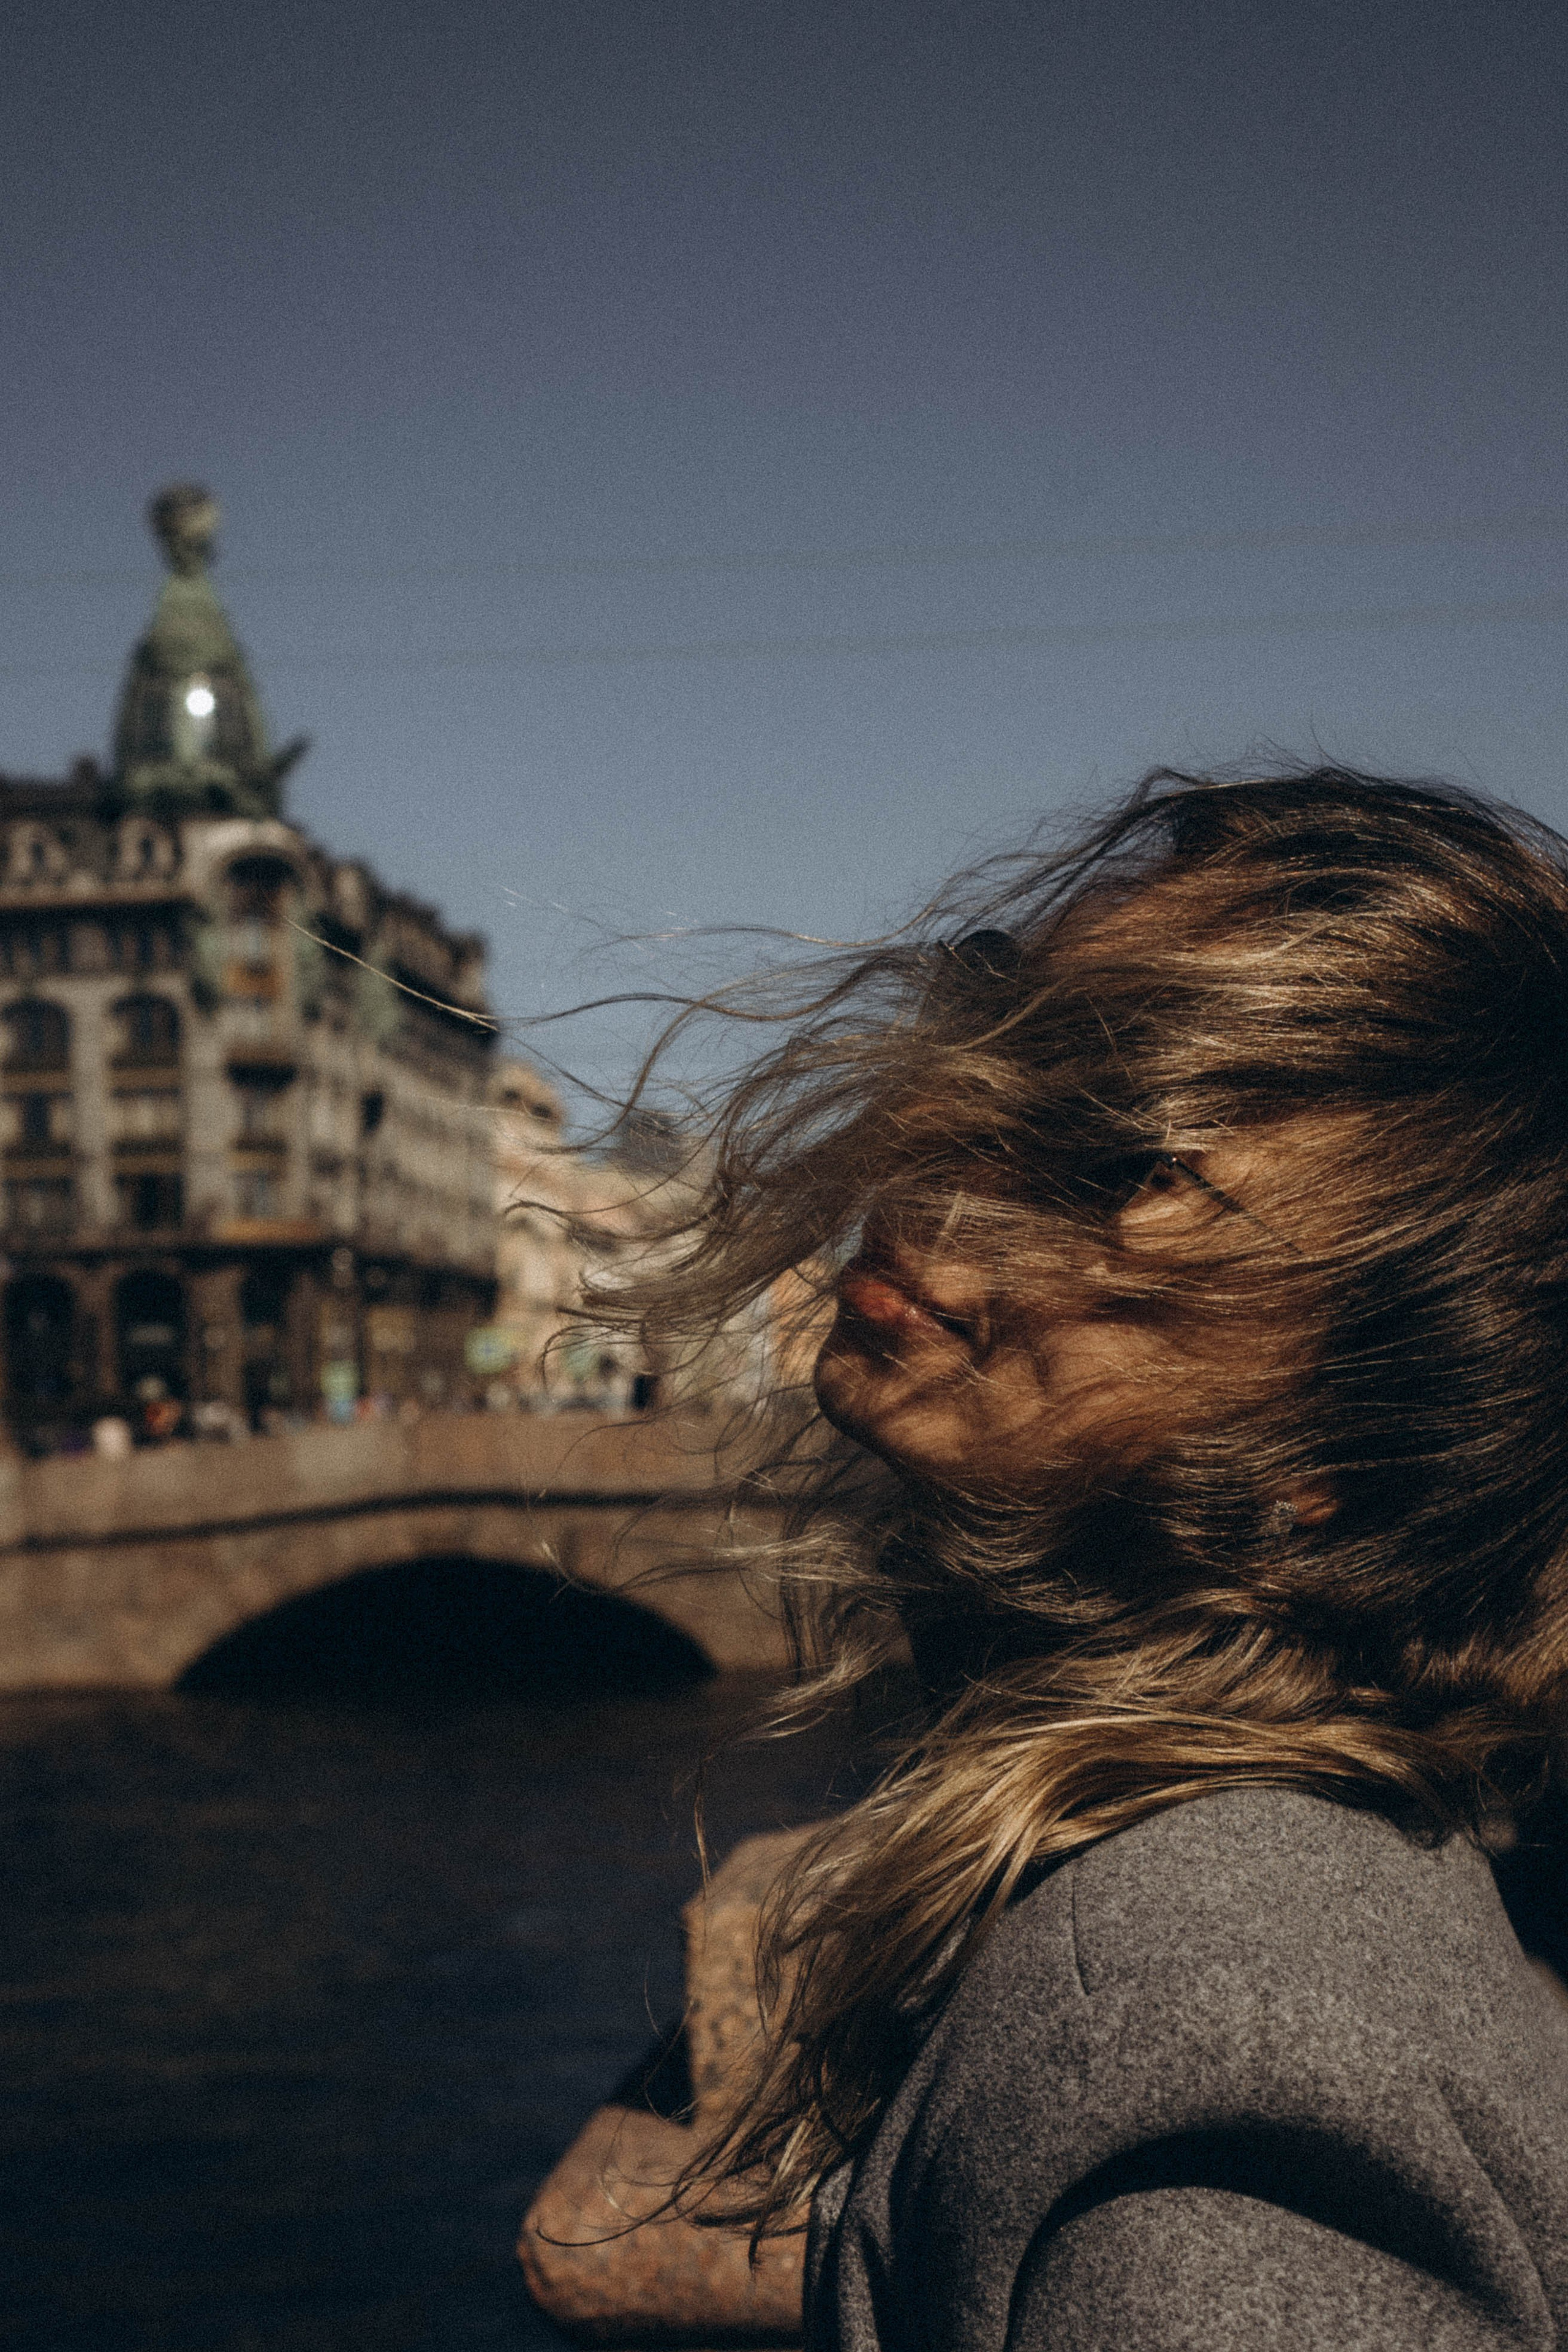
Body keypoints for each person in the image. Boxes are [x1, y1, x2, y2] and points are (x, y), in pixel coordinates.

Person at [560, 766, 1568, 2350]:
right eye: (996, 1043)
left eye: (1122, 1160)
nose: (944, 1153)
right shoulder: (1230, 1876)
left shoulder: (1198, 2056)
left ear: (1351, 1446)